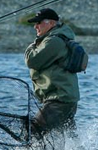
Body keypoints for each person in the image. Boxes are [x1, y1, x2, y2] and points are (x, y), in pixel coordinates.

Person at [24, 8, 81, 136]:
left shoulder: (54, 41)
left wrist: (33, 44)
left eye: (39, 23)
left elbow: (32, 61)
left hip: (59, 100)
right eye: (35, 23)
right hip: (65, 98)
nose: (35, 26)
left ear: (52, 23)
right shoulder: (55, 38)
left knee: (33, 131)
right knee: (68, 138)